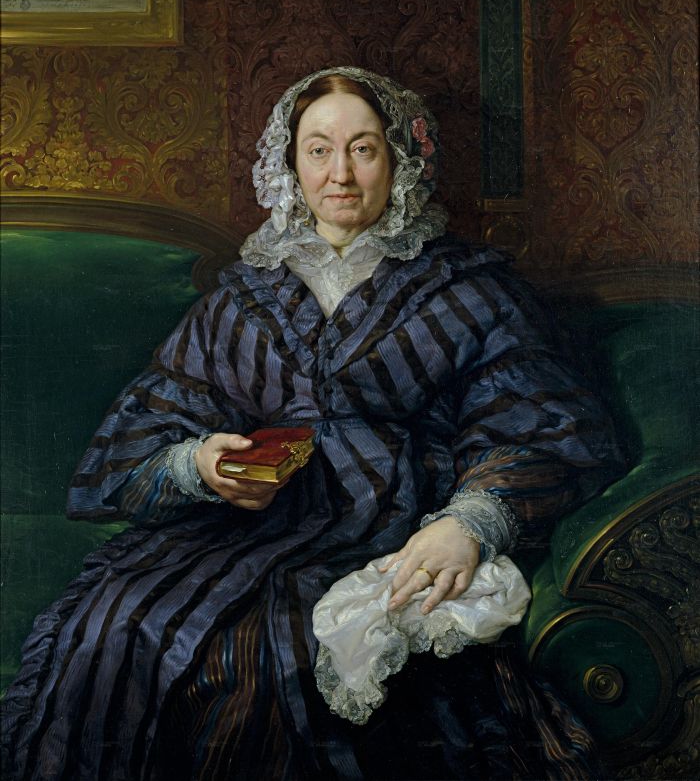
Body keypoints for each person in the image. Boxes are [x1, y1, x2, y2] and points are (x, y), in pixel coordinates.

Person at [1, 67, 622, 780]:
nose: (341, 175)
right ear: (290, 164)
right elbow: (152, 424)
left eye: (363, 149)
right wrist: (201, 464)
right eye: (319, 150)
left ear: (400, 160)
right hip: (247, 527)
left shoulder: (469, 288)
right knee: (118, 623)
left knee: (284, 654)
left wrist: (470, 521)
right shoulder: (246, 293)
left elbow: (539, 422)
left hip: (393, 523)